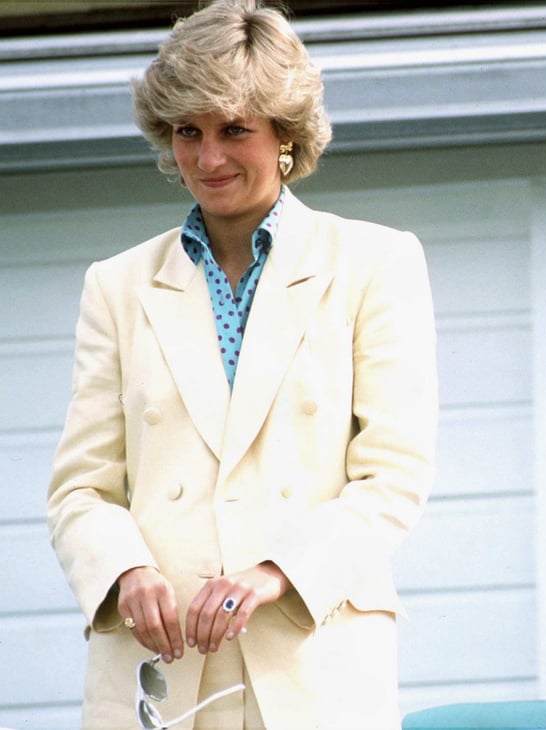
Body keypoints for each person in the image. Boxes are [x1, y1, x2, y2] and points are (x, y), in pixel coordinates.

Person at [46, 1, 438, 728]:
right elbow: (81, 490)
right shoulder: (116, 285)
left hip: (311, 667)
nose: (208, 158)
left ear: (286, 135)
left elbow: (394, 475)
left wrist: (273, 575)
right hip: (156, 674)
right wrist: (125, 571)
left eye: (234, 130)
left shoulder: (376, 263)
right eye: (187, 132)